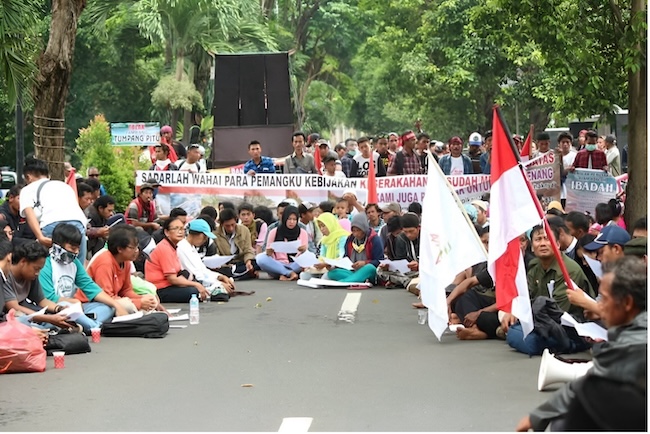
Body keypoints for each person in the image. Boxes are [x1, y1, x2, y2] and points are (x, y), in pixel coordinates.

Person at [516, 257, 646, 432]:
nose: (600, 306)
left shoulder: (631, 345)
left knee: (571, 418)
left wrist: (537, 417)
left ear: (628, 303)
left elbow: (588, 384)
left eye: (605, 299)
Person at [503, 225, 595, 356]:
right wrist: (515, 311)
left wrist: (525, 318)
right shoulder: (535, 267)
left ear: (557, 244)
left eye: (547, 239)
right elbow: (526, 297)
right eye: (538, 239)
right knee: (512, 325)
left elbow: (559, 312)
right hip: (542, 320)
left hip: (569, 325)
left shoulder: (569, 270)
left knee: (521, 336)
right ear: (532, 247)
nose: (543, 244)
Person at [37, 223, 129, 332]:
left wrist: (116, 305)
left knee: (108, 307)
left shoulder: (74, 263)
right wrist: (73, 302)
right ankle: (95, 326)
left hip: (75, 308)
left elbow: (91, 287)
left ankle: (82, 325)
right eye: (72, 248)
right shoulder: (46, 264)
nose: (76, 252)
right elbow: (48, 298)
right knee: (67, 305)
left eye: (78, 248)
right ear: (58, 245)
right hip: (54, 310)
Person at [19, 157, 88, 261]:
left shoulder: (27, 189)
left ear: (28, 177)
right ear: (48, 175)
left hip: (52, 226)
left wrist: (40, 237)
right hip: (78, 226)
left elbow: (30, 214)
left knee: (48, 266)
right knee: (77, 266)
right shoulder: (64, 186)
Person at [3, 241, 80, 332]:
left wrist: (59, 309)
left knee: (54, 322)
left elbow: (41, 300)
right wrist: (47, 318)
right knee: (32, 324)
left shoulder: (31, 276)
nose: (37, 273)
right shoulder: (6, 276)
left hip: (26, 309)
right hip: (11, 314)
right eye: (36, 269)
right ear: (23, 261)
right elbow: (14, 307)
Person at [86, 225, 162, 314]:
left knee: (149, 300)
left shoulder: (125, 261)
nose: (136, 251)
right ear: (119, 249)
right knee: (128, 306)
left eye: (137, 247)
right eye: (132, 248)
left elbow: (126, 290)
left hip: (114, 300)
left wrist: (143, 299)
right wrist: (138, 302)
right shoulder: (105, 261)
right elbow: (105, 296)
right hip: (93, 303)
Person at [145, 217, 209, 303]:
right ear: (167, 232)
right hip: (160, 289)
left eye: (182, 229)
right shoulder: (164, 248)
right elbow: (172, 279)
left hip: (170, 285)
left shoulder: (173, 247)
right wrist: (196, 284)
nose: (180, 232)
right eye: (176, 228)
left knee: (191, 279)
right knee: (193, 291)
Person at [176, 219, 235, 295]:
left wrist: (220, 276)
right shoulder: (182, 248)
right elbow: (197, 275)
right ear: (197, 234)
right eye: (204, 236)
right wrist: (218, 283)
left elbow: (203, 270)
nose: (205, 239)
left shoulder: (191, 247)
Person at [256, 206, 308, 281]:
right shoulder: (274, 232)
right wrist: (269, 252)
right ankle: (289, 273)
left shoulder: (303, 232)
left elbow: (305, 252)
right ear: (284, 218)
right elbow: (268, 251)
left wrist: (303, 250)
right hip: (278, 264)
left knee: (308, 258)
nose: (291, 222)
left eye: (294, 219)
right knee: (260, 258)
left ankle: (282, 273)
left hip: (295, 264)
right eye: (289, 219)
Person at [327, 213, 383, 283]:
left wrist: (364, 263)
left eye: (358, 230)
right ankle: (358, 280)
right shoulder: (350, 239)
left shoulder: (374, 239)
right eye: (353, 231)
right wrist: (333, 266)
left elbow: (379, 261)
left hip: (369, 272)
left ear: (364, 228)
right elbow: (346, 259)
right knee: (331, 273)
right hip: (353, 271)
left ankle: (344, 282)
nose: (356, 234)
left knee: (370, 268)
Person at [377, 213, 420, 293]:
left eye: (411, 231)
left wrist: (419, 264)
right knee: (380, 270)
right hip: (409, 272)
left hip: (422, 270)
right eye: (405, 232)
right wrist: (388, 266)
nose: (408, 235)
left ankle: (401, 282)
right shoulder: (400, 238)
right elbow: (400, 261)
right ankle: (408, 282)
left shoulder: (427, 238)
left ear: (418, 228)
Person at [214, 208, 259, 280]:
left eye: (233, 225)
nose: (231, 228)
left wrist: (248, 261)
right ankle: (242, 274)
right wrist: (225, 265)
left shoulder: (244, 230)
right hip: (226, 264)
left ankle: (237, 274)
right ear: (221, 224)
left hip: (241, 262)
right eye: (227, 226)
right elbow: (216, 255)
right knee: (219, 270)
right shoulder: (215, 234)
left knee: (258, 262)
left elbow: (248, 249)